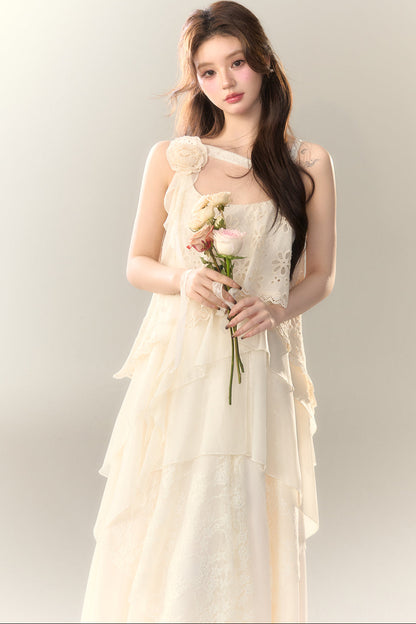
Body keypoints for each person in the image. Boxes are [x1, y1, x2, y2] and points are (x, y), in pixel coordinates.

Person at [80, 1, 336, 622]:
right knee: (173, 507)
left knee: (246, 505)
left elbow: (322, 277)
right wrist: (184, 277)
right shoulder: (175, 158)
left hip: (257, 365)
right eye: (208, 71)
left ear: (264, 62)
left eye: (237, 63)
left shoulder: (307, 164)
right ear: (196, 80)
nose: (226, 82)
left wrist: (274, 309)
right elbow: (137, 262)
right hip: (183, 366)